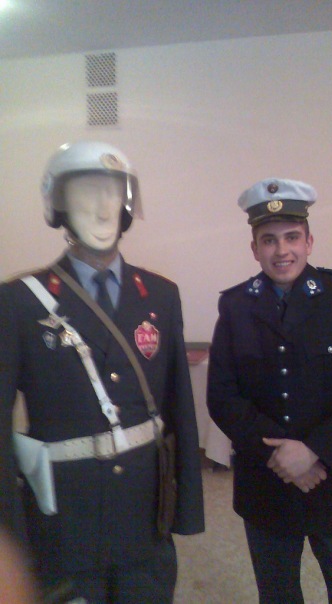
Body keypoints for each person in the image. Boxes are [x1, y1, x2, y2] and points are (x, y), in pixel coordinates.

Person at [0, 141, 204, 603]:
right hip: (62, 525)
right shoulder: (18, 301)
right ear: (59, 204)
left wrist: (186, 508)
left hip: (144, 522)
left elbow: (179, 409)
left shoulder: (160, 295)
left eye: (113, 192)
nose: (102, 206)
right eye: (86, 192)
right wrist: (9, 539)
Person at [207, 177, 332, 604]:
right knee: (277, 594)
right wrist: (281, 455)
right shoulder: (236, 306)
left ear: (309, 242)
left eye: (291, 237)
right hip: (268, 481)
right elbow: (223, 396)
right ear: (254, 249)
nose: (282, 250)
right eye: (269, 240)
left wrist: (315, 450)